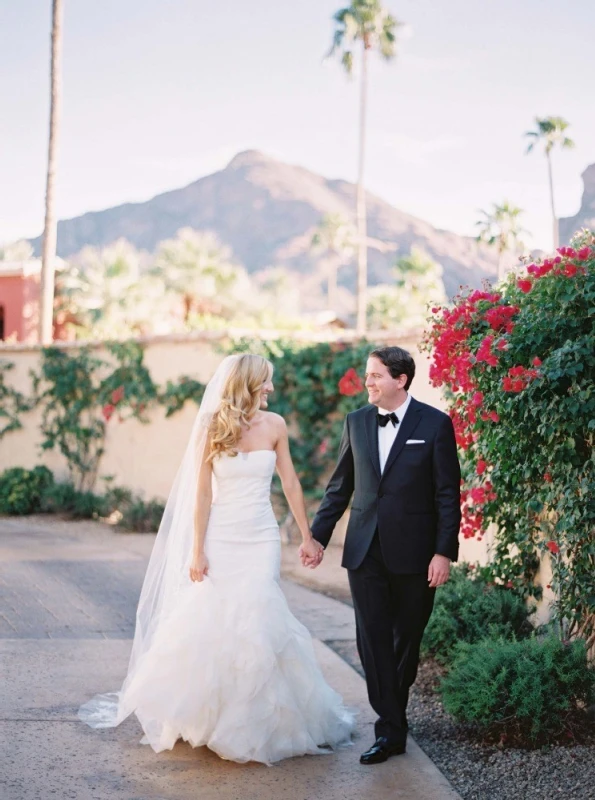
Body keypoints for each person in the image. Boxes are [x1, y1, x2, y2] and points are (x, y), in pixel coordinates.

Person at [78, 354, 354, 765]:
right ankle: (211, 719)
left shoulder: (275, 425)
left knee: (259, 615)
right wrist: (197, 549)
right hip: (221, 535)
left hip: (260, 535)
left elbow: (291, 482)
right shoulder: (211, 427)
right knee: (214, 618)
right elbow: (202, 494)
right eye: (266, 383)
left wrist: (309, 537)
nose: (271, 390)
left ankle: (257, 722)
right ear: (247, 384)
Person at [303, 346, 461, 765]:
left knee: (405, 640)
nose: (367, 382)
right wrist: (317, 537)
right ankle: (391, 730)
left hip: (416, 553)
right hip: (364, 549)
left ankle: (393, 716)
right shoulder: (356, 423)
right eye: (368, 375)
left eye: (375, 375)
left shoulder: (436, 424)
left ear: (400, 379)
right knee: (372, 641)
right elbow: (340, 487)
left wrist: (443, 552)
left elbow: (447, 494)